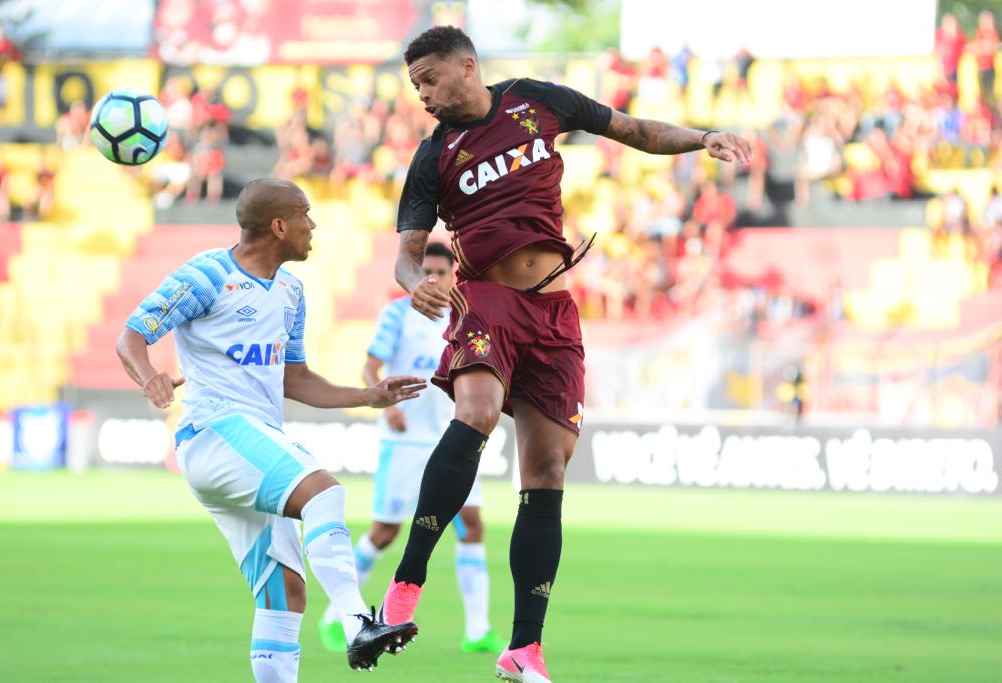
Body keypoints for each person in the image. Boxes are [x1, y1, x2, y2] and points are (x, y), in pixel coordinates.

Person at [379, 26, 751, 683]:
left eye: (430, 80)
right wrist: (420, 287)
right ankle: (405, 587)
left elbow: (630, 129)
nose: (424, 95)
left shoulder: (535, 101)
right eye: (416, 87)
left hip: (553, 312)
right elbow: (409, 254)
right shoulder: (434, 156)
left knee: (547, 471)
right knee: (478, 411)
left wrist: (701, 137)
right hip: (486, 299)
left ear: (468, 66)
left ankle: (525, 647)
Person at [115, 178, 423, 681]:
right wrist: (149, 376)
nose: (313, 224)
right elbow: (132, 336)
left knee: (284, 592)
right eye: (305, 214)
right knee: (323, 493)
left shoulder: (291, 291)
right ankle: (356, 623)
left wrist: (368, 396)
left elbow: (294, 379)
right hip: (215, 432)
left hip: (247, 447)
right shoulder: (207, 275)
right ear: (279, 225)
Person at [317, 241, 507, 655]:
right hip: (405, 442)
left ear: (455, 273)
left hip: (454, 439)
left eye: (442, 270)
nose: (434, 279)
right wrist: (382, 406)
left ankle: (477, 630)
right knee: (386, 531)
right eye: (426, 272)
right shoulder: (397, 313)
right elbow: (371, 363)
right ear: (416, 275)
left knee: (472, 524)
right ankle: (336, 616)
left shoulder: (467, 317)